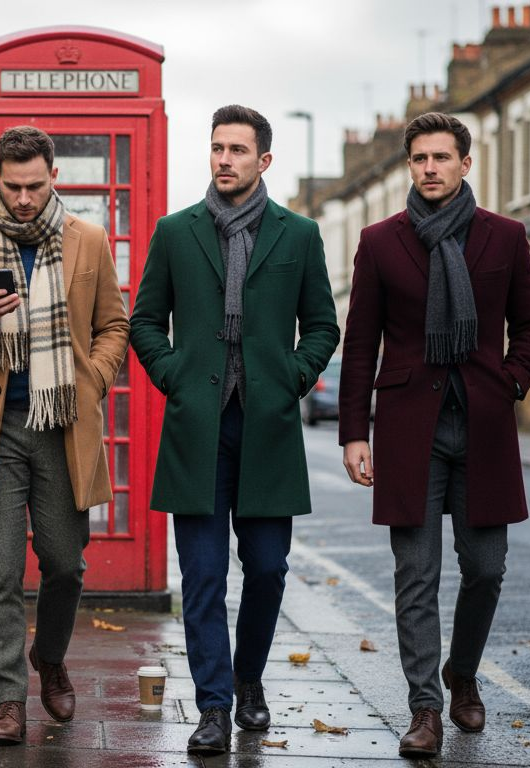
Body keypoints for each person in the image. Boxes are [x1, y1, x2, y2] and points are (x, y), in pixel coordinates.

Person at [130, 105, 339, 756]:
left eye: (238, 150)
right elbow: (143, 322)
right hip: (198, 429)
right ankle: (214, 706)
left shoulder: (298, 235)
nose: (224, 159)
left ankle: (249, 676)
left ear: (263, 161)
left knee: (269, 569)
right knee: (202, 576)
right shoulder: (175, 232)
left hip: (268, 427)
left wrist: (290, 379)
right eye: (217, 148)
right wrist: (177, 379)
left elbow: (323, 326)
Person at [338, 111, 530, 757]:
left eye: (441, 157)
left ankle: (463, 673)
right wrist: (354, 432)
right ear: (410, 165)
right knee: (416, 574)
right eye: (420, 158)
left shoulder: (503, 237)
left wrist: (508, 382)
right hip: (409, 430)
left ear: (465, 163)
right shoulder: (380, 241)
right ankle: (425, 708)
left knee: (485, 569)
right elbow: (360, 345)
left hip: (482, 426)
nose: (430, 168)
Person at [0, 125, 128, 746]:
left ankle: (52, 657)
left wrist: (89, 379)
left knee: (65, 564)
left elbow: (114, 326)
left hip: (63, 424)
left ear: (54, 176)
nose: (22, 199)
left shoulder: (87, 241)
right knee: (0, 572)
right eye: (11, 187)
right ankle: (8, 700)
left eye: (34, 186)